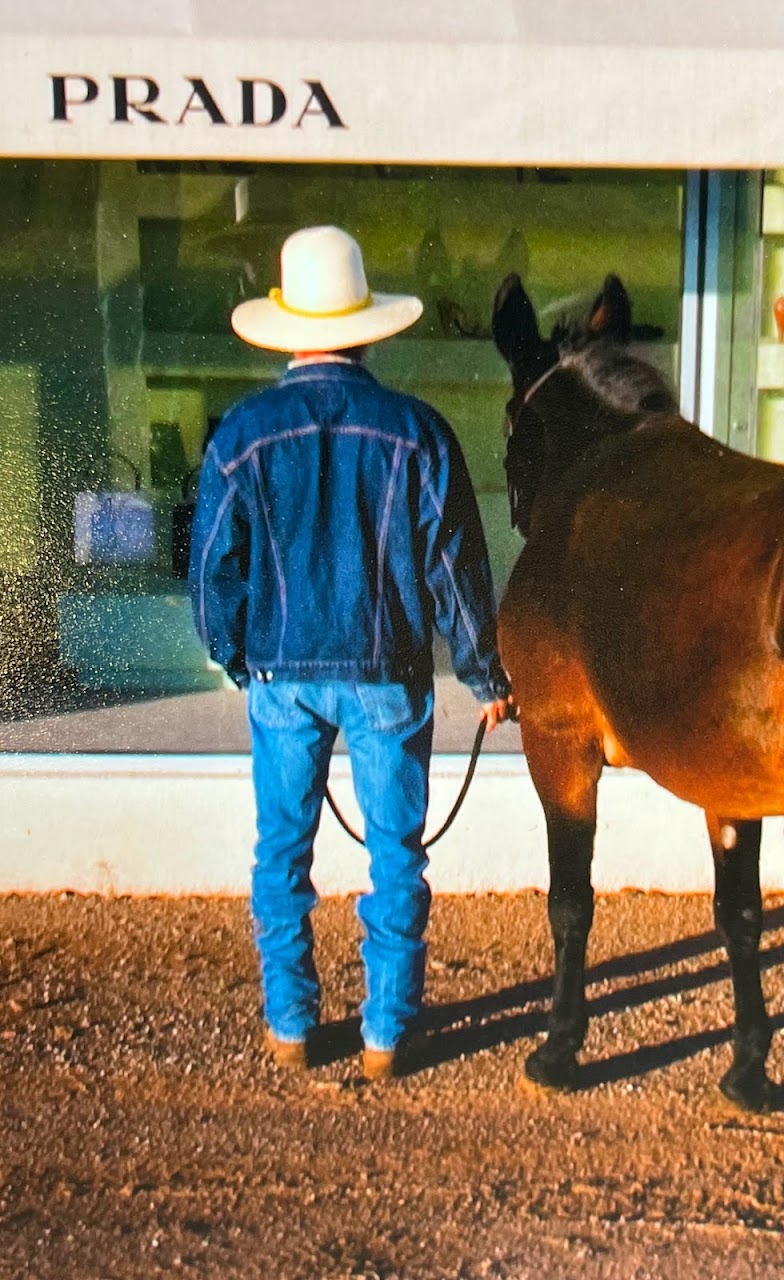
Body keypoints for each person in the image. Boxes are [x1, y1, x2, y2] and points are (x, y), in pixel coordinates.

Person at [190, 225, 514, 1080]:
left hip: (283, 676)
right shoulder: (418, 432)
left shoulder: (243, 434)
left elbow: (215, 571)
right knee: (397, 854)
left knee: (280, 853)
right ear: (368, 327)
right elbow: (456, 567)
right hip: (387, 676)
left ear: (289, 329)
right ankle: (383, 1035)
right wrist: (485, 674)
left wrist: (237, 654)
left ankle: (292, 1026)